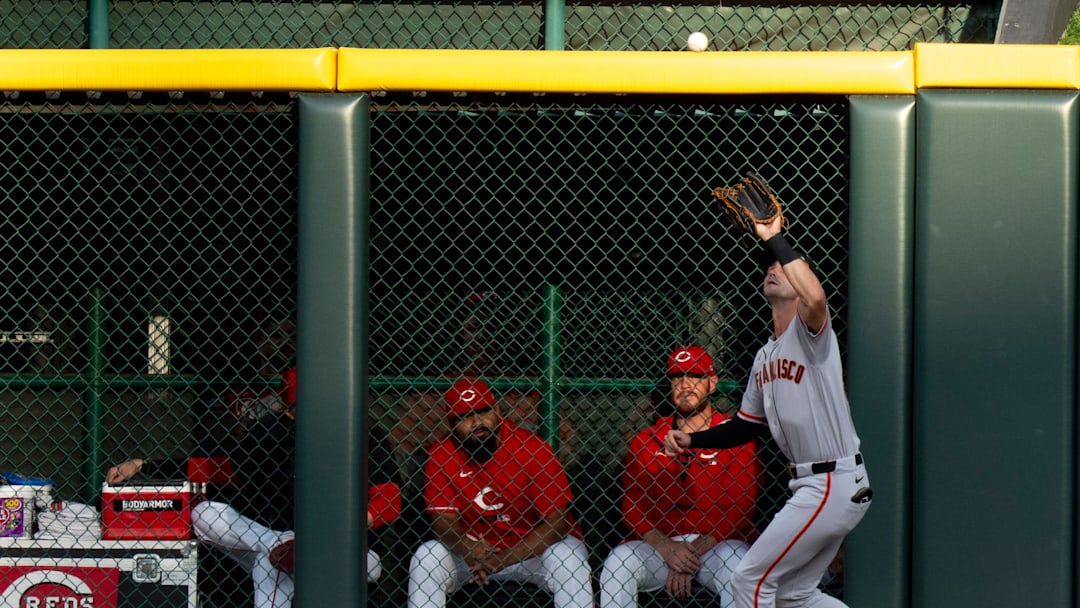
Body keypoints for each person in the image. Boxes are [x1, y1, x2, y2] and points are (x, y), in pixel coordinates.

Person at [663, 215, 871, 608]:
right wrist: (692, 439)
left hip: (831, 480)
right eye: (770, 266)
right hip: (818, 483)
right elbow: (745, 426)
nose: (773, 268)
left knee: (748, 581)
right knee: (794, 595)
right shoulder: (764, 355)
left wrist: (774, 238)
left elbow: (817, 299)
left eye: (784, 266)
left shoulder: (812, 335)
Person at [107, 364, 401, 608]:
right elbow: (221, 469)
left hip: (349, 551)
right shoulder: (272, 433)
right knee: (205, 514)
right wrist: (144, 464)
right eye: (306, 406)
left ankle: (285, 550)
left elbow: (389, 500)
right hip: (279, 542)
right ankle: (280, 547)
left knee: (267, 566)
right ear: (290, 413)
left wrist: (326, 540)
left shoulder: (363, 433)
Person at [407, 378, 594, 608]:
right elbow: (442, 522)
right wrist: (469, 548)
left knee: (568, 558)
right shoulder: (442, 454)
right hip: (473, 555)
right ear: (452, 425)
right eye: (466, 417)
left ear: (497, 410)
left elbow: (557, 524)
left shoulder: (532, 448)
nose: (478, 422)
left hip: (531, 553)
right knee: (427, 556)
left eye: (484, 411)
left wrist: (504, 558)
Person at [599, 346, 761, 608]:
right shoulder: (646, 440)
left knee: (739, 568)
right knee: (618, 563)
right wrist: (667, 548)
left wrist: (689, 554)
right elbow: (633, 505)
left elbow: (740, 509)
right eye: (677, 378)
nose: (685, 385)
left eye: (695, 377)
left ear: (712, 382)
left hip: (717, 545)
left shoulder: (735, 436)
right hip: (661, 546)